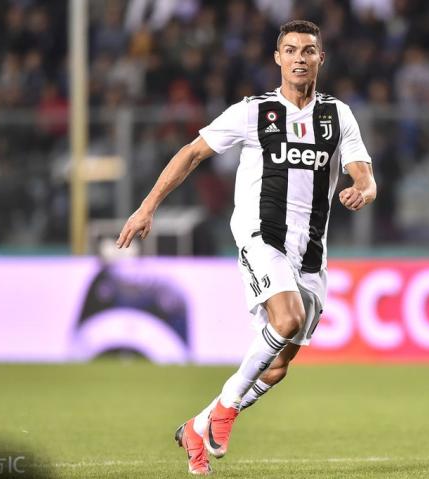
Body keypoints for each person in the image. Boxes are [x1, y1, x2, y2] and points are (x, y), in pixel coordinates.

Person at [116, 20, 376, 475]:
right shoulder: (253, 112)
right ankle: (226, 408)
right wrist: (147, 207)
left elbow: (365, 176)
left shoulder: (338, 116)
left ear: (321, 58)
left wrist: (363, 190)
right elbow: (192, 153)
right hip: (261, 237)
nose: (299, 58)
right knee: (286, 319)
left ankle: (198, 426)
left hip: (310, 252)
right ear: (277, 58)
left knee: (276, 367)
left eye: (308, 50)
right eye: (290, 50)